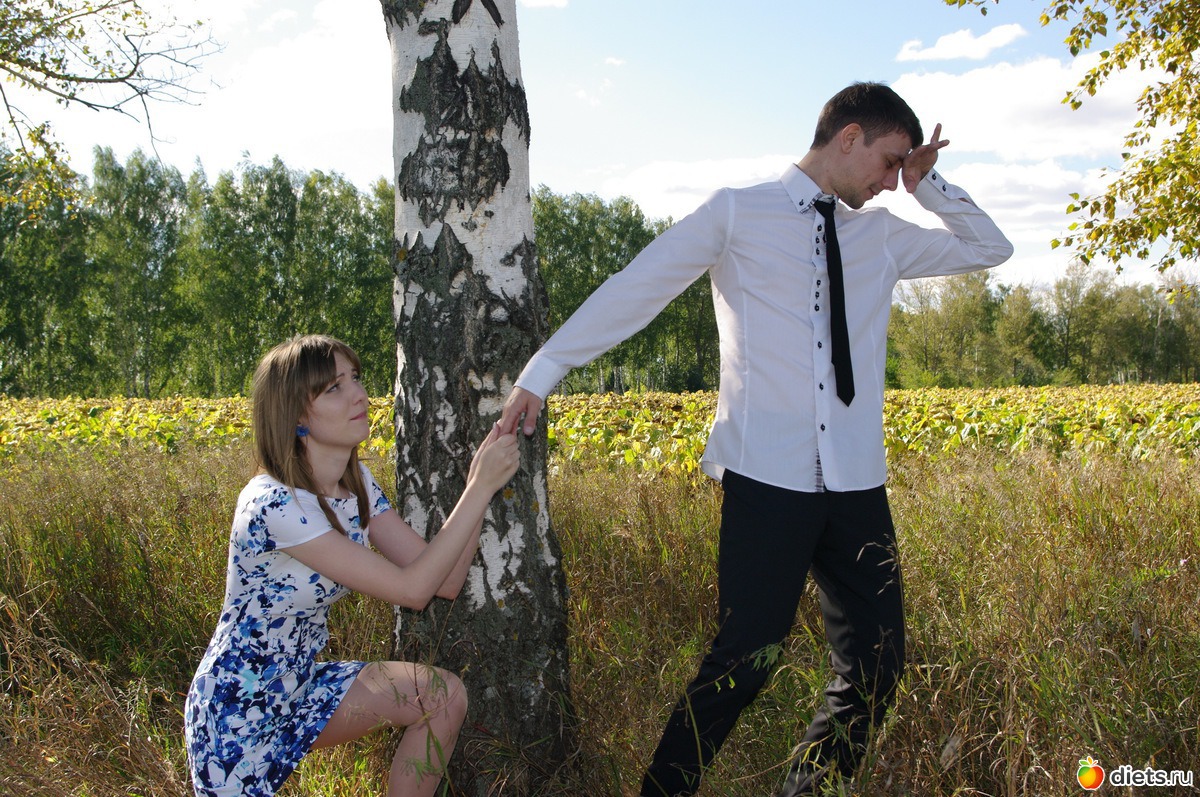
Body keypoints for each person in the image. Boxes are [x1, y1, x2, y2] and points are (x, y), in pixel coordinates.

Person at [498, 83, 1013, 795]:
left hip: (857, 483)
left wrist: (930, 185)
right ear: (849, 137)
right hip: (768, 478)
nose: (893, 179)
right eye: (891, 161)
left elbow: (991, 247)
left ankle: (809, 789)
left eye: (903, 168)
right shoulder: (738, 212)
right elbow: (637, 287)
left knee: (878, 661)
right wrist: (544, 369)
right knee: (745, 660)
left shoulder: (883, 234)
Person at [185, 334, 520, 797]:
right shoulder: (273, 504)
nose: (359, 395)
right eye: (334, 388)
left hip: (302, 686)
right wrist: (480, 487)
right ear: (296, 415)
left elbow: (443, 582)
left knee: (442, 697)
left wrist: (476, 487)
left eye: (355, 378)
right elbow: (413, 590)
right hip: (237, 712)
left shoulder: (355, 482)